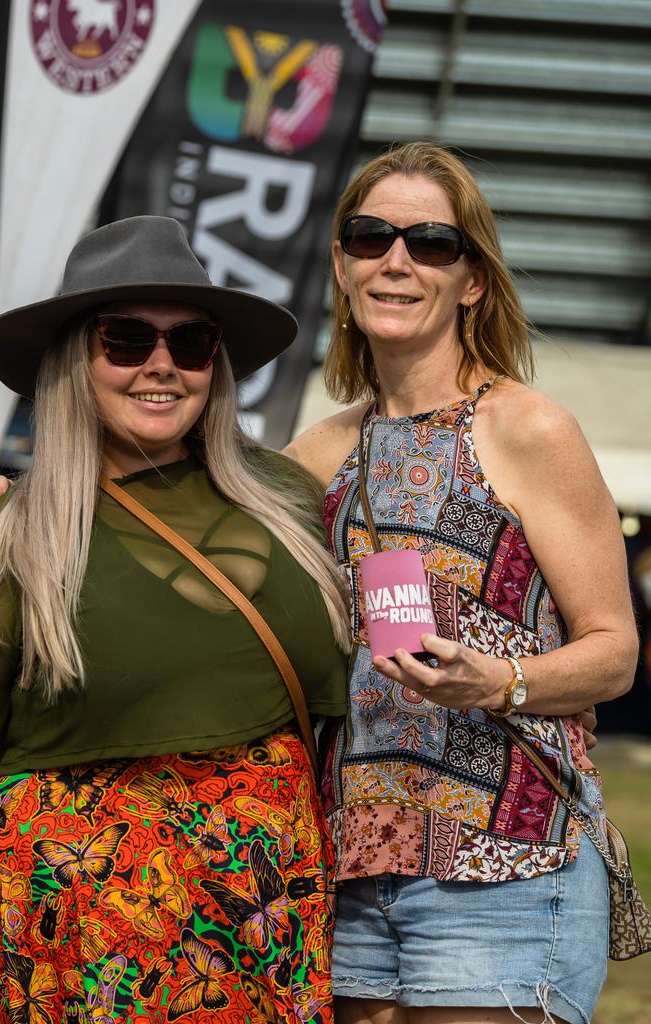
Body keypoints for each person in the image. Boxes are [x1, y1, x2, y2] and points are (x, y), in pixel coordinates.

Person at [0, 216, 351, 1024]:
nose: (161, 365)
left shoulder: (289, 500)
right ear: (76, 359)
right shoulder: (8, 539)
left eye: (192, 342)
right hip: (79, 941)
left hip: (262, 924)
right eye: (127, 338)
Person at [282, 142, 638, 1024]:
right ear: (341, 262)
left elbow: (615, 652)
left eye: (431, 243)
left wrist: (503, 680)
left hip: (507, 863)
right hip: (354, 866)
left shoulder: (529, 429)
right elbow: (177, 520)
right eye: (371, 237)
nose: (396, 261)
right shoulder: (317, 454)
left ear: (471, 278)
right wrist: (5, 506)